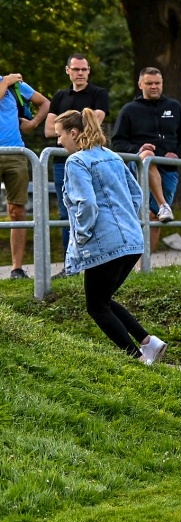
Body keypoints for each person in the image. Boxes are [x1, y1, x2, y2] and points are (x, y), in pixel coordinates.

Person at [53, 109, 167, 363]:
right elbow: (137, 194)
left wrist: (81, 236)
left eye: (60, 135)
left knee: (96, 307)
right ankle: (149, 342)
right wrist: (127, 221)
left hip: (105, 244)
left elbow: (88, 204)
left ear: (73, 133)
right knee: (102, 299)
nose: (58, 141)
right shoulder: (113, 156)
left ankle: (136, 358)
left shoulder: (76, 161)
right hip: (132, 241)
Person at [110, 67, 181, 239]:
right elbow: (118, 141)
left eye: (157, 83)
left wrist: (177, 153)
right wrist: (138, 150)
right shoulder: (129, 110)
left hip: (168, 170)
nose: (154, 86)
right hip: (139, 167)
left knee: (155, 218)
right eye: (149, 83)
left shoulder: (174, 107)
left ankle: (147, 265)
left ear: (162, 84)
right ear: (140, 84)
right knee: (147, 157)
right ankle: (163, 204)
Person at [44, 54, 111, 257]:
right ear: (68, 71)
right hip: (62, 162)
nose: (80, 73)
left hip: (90, 160)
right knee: (66, 212)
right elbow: (48, 130)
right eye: (76, 69)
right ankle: (70, 261)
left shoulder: (99, 93)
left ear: (89, 71)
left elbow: (95, 123)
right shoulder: (59, 96)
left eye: (83, 69)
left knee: (95, 205)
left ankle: (97, 257)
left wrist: (65, 124)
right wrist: (79, 121)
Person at [0, 72, 50, 279]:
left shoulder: (14, 85)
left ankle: (16, 268)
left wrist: (34, 123)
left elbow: (45, 103)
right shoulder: (8, 82)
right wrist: (6, 83)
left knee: (17, 211)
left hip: (16, 154)